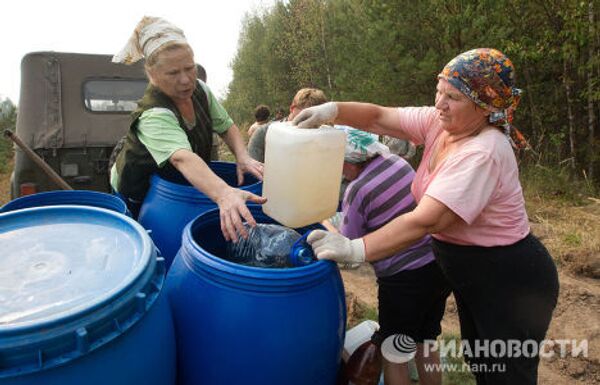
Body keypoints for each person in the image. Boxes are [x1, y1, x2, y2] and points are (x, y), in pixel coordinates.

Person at [293, 48, 559, 385]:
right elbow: (377, 117)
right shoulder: (441, 124)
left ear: (484, 105)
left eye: (453, 97)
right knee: (481, 361)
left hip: (509, 282)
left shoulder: (484, 152)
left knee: (507, 375)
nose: (439, 103)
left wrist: (353, 249)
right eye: (440, 91)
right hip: (471, 276)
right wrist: (332, 111)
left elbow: (427, 220)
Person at [110, 16, 265, 241]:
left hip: (180, 186)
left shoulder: (200, 89)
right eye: (173, 73)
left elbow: (226, 125)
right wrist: (224, 194)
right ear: (151, 74)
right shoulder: (153, 113)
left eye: (189, 68)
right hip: (141, 191)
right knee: (141, 242)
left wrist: (243, 156)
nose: (185, 80)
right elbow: (182, 158)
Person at [337, 126, 450, 385]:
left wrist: (325, 222)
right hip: (436, 264)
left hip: (403, 280)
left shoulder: (357, 190)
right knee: (426, 340)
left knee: (394, 353)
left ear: (347, 161)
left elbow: (349, 248)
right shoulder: (397, 162)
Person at [247, 88, 327, 162]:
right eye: (306, 116)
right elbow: (253, 173)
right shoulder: (263, 134)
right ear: (292, 108)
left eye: (317, 121)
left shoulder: (324, 138)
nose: (310, 124)